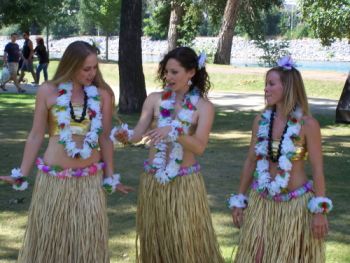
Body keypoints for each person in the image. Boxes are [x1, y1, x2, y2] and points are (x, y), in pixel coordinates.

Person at [0, 41, 132, 263]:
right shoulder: (48, 90)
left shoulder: (103, 95)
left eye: (94, 68)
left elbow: (105, 138)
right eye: (86, 68)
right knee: (50, 248)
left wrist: (111, 177)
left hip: (89, 183)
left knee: (86, 248)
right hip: (53, 183)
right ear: (71, 66)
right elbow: (35, 134)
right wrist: (21, 173)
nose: (92, 73)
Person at [111, 47, 224, 263]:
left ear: (191, 72)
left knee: (185, 243)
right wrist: (125, 135)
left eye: (174, 72)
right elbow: (138, 135)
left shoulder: (203, 107)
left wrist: (175, 131)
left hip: (185, 183)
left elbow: (199, 147)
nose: (167, 77)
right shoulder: (154, 100)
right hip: (154, 181)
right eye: (166, 71)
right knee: (157, 243)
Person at [228, 56, 332, 263]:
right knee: (257, 257)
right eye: (265, 84)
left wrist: (320, 211)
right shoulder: (261, 120)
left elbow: (318, 170)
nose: (265, 89)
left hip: (295, 204)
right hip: (262, 201)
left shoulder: (308, 124)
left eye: (271, 84)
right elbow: (251, 161)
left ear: (288, 87)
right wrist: (240, 198)